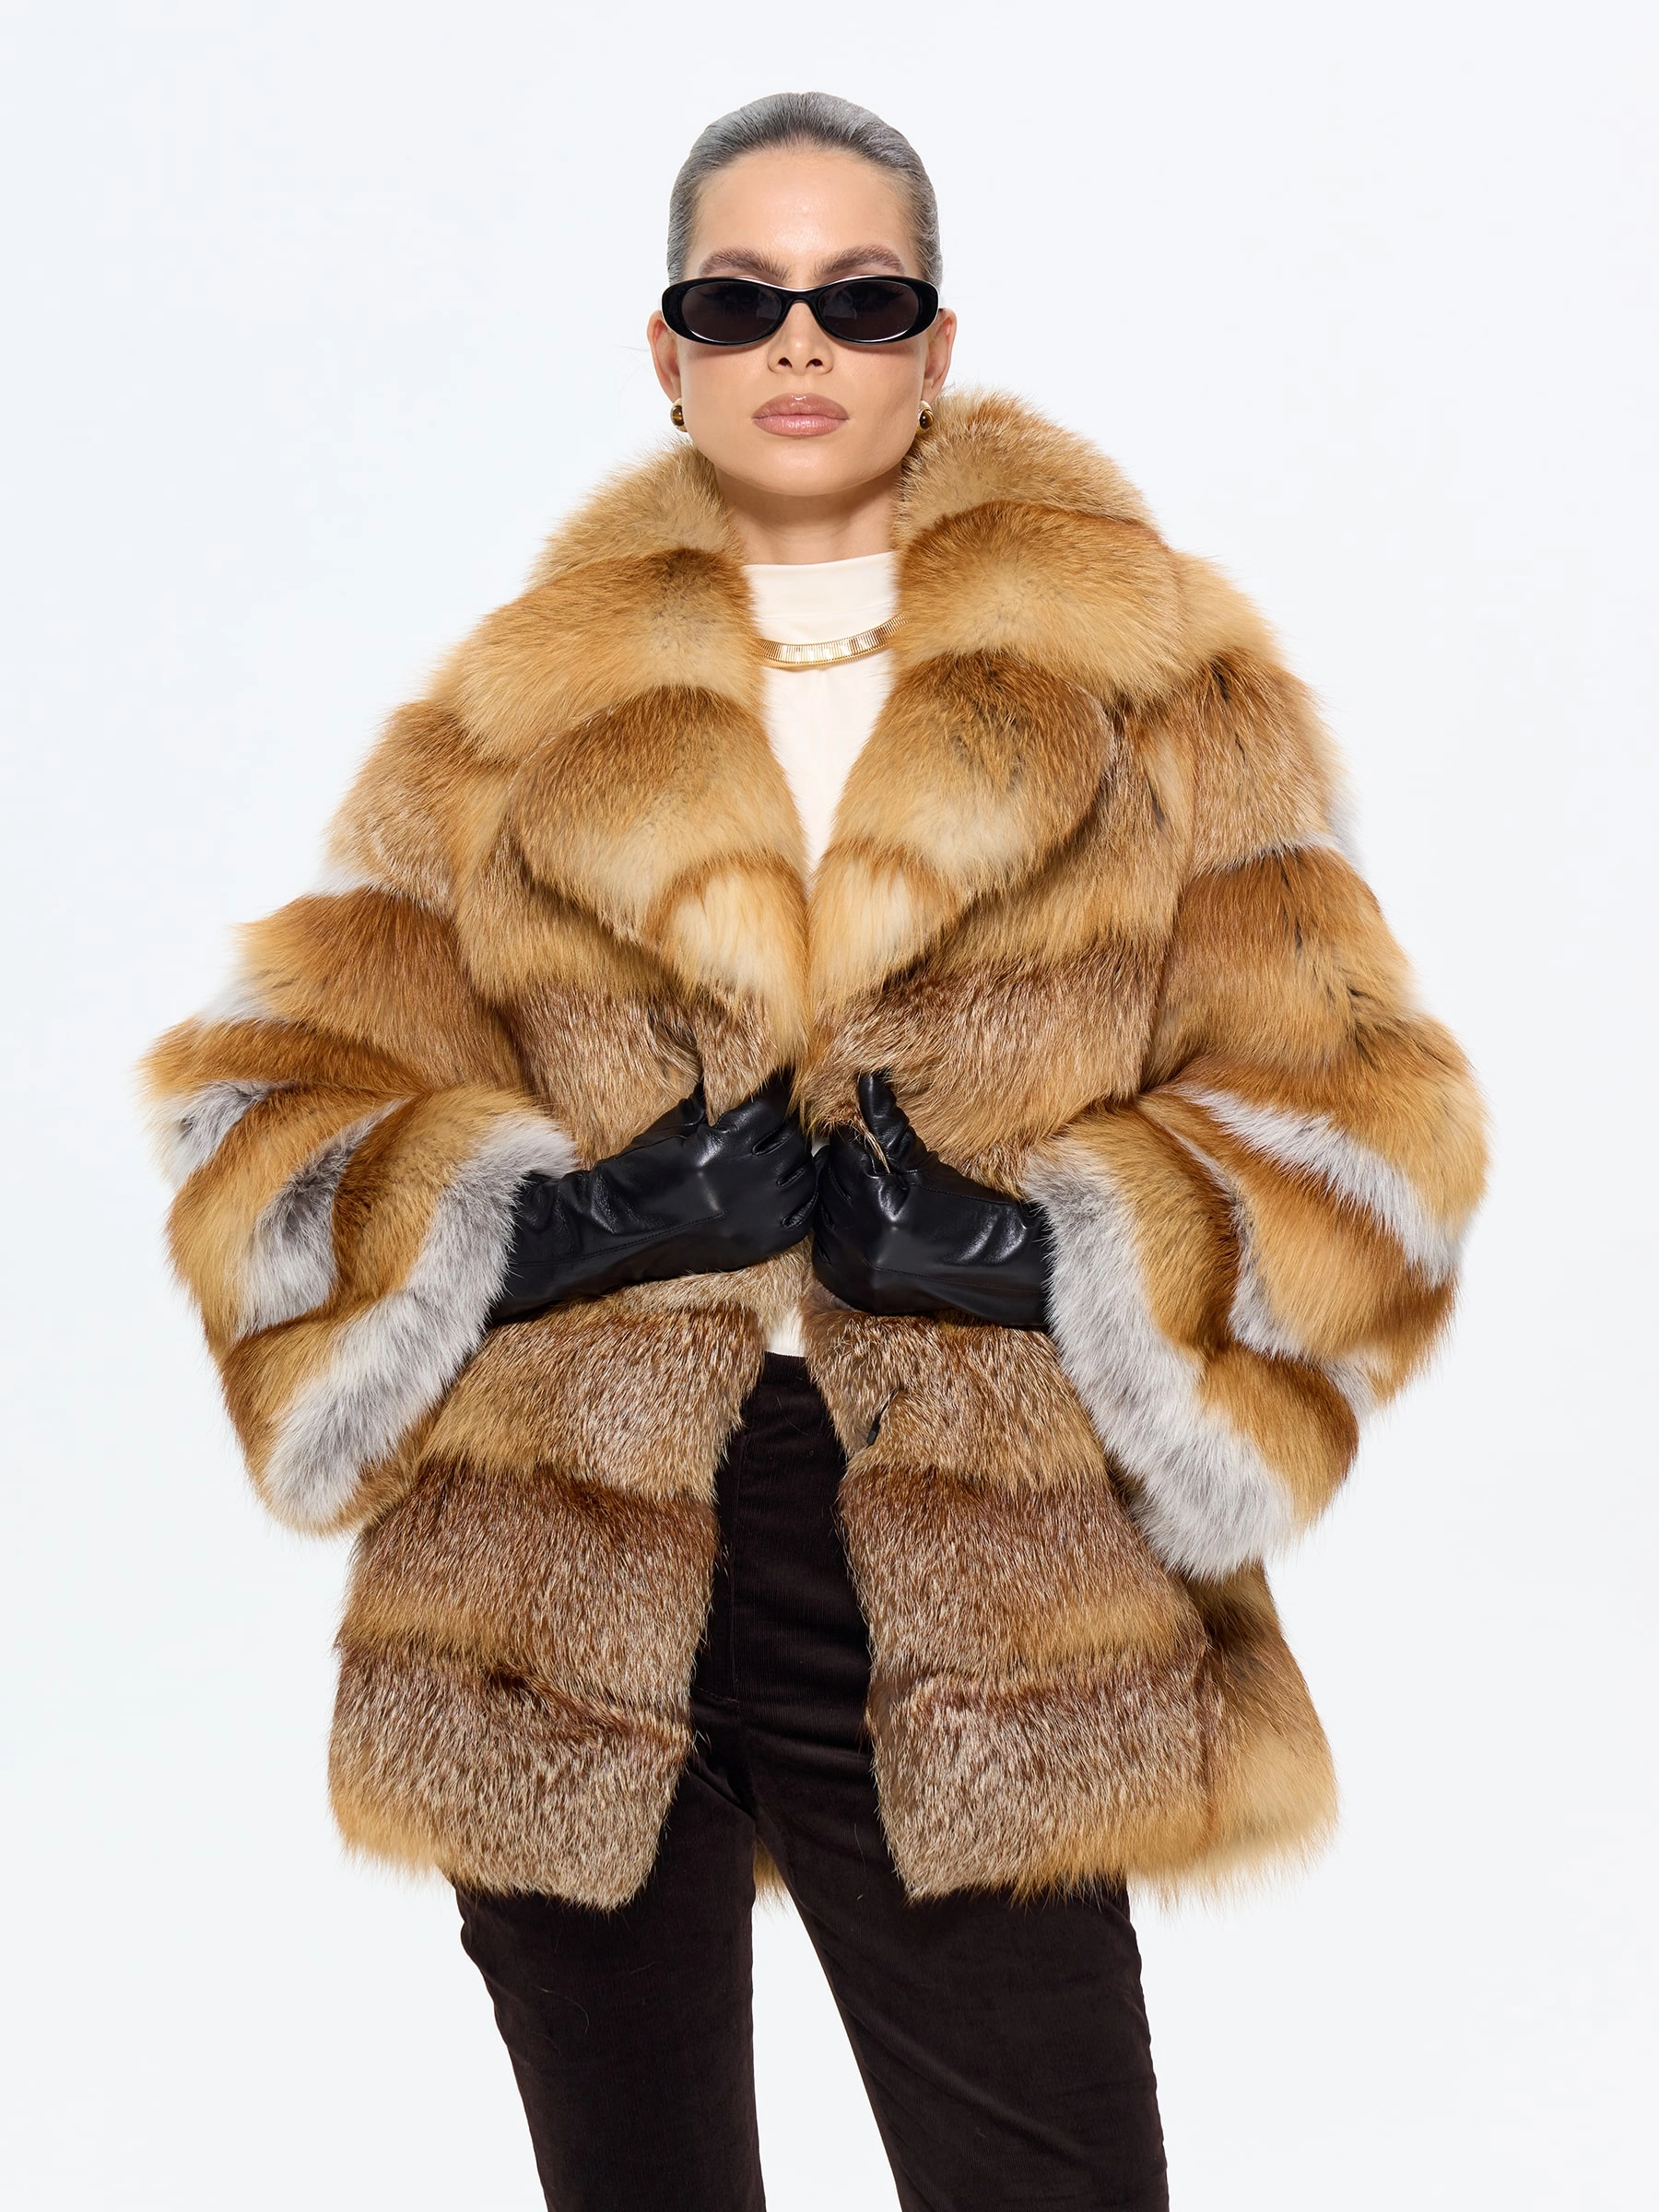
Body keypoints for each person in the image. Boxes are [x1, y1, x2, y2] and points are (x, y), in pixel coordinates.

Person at [143, 90, 1487, 2212]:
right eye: (737, 299)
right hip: (558, 1547)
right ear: (664, 350)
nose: (798, 342)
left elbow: (1369, 1113)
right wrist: (567, 1228)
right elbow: (265, 1108)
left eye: (858, 300)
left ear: (935, 344)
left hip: (974, 1550)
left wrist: (1041, 1252)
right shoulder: (520, 713)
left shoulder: (1151, 684)